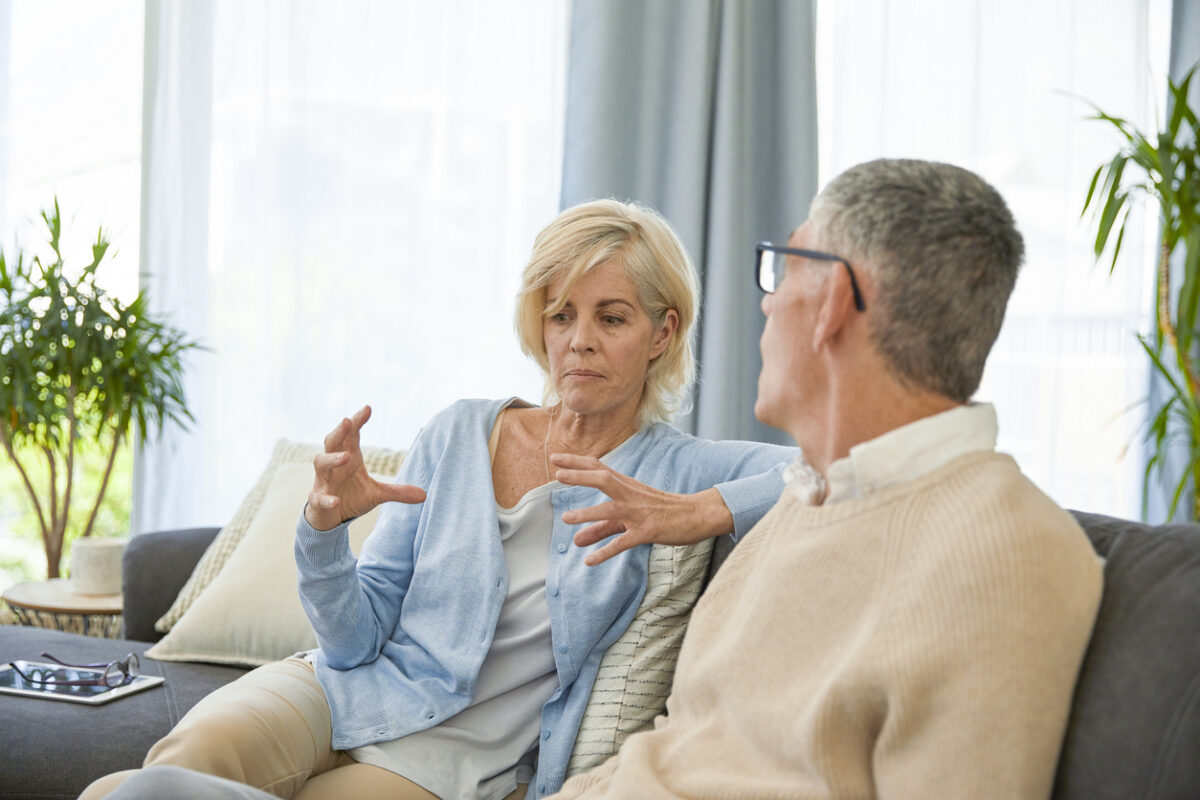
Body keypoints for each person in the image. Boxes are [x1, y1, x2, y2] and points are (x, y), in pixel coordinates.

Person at [78, 199, 795, 800]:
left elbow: (831, 465)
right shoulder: (458, 432)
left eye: (611, 318)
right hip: (338, 690)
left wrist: (703, 511)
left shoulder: (677, 469)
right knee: (174, 770)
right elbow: (356, 638)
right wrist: (324, 531)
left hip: (450, 760)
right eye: (561, 315)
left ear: (662, 332)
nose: (578, 342)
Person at [545, 159, 1105, 798]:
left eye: (784, 267)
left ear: (833, 301)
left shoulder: (1002, 553)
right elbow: (679, 746)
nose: (769, 298)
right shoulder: (812, 499)